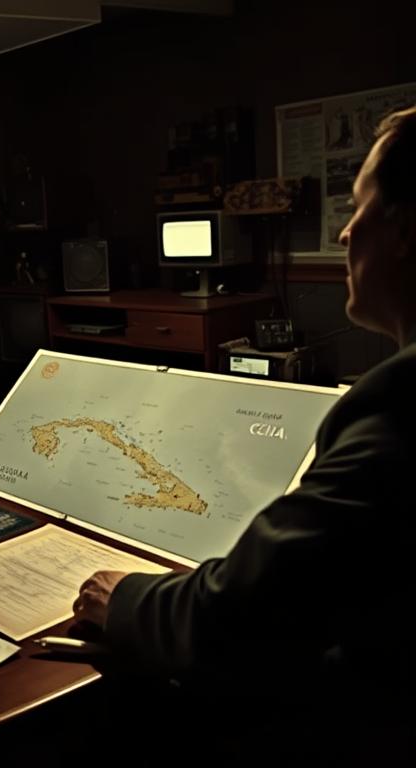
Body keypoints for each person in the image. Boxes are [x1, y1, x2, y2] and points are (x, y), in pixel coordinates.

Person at [74, 105, 416, 762]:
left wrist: (126, 599)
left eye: (361, 207)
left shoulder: (405, 407)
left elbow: (246, 614)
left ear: (406, 231)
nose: (344, 234)